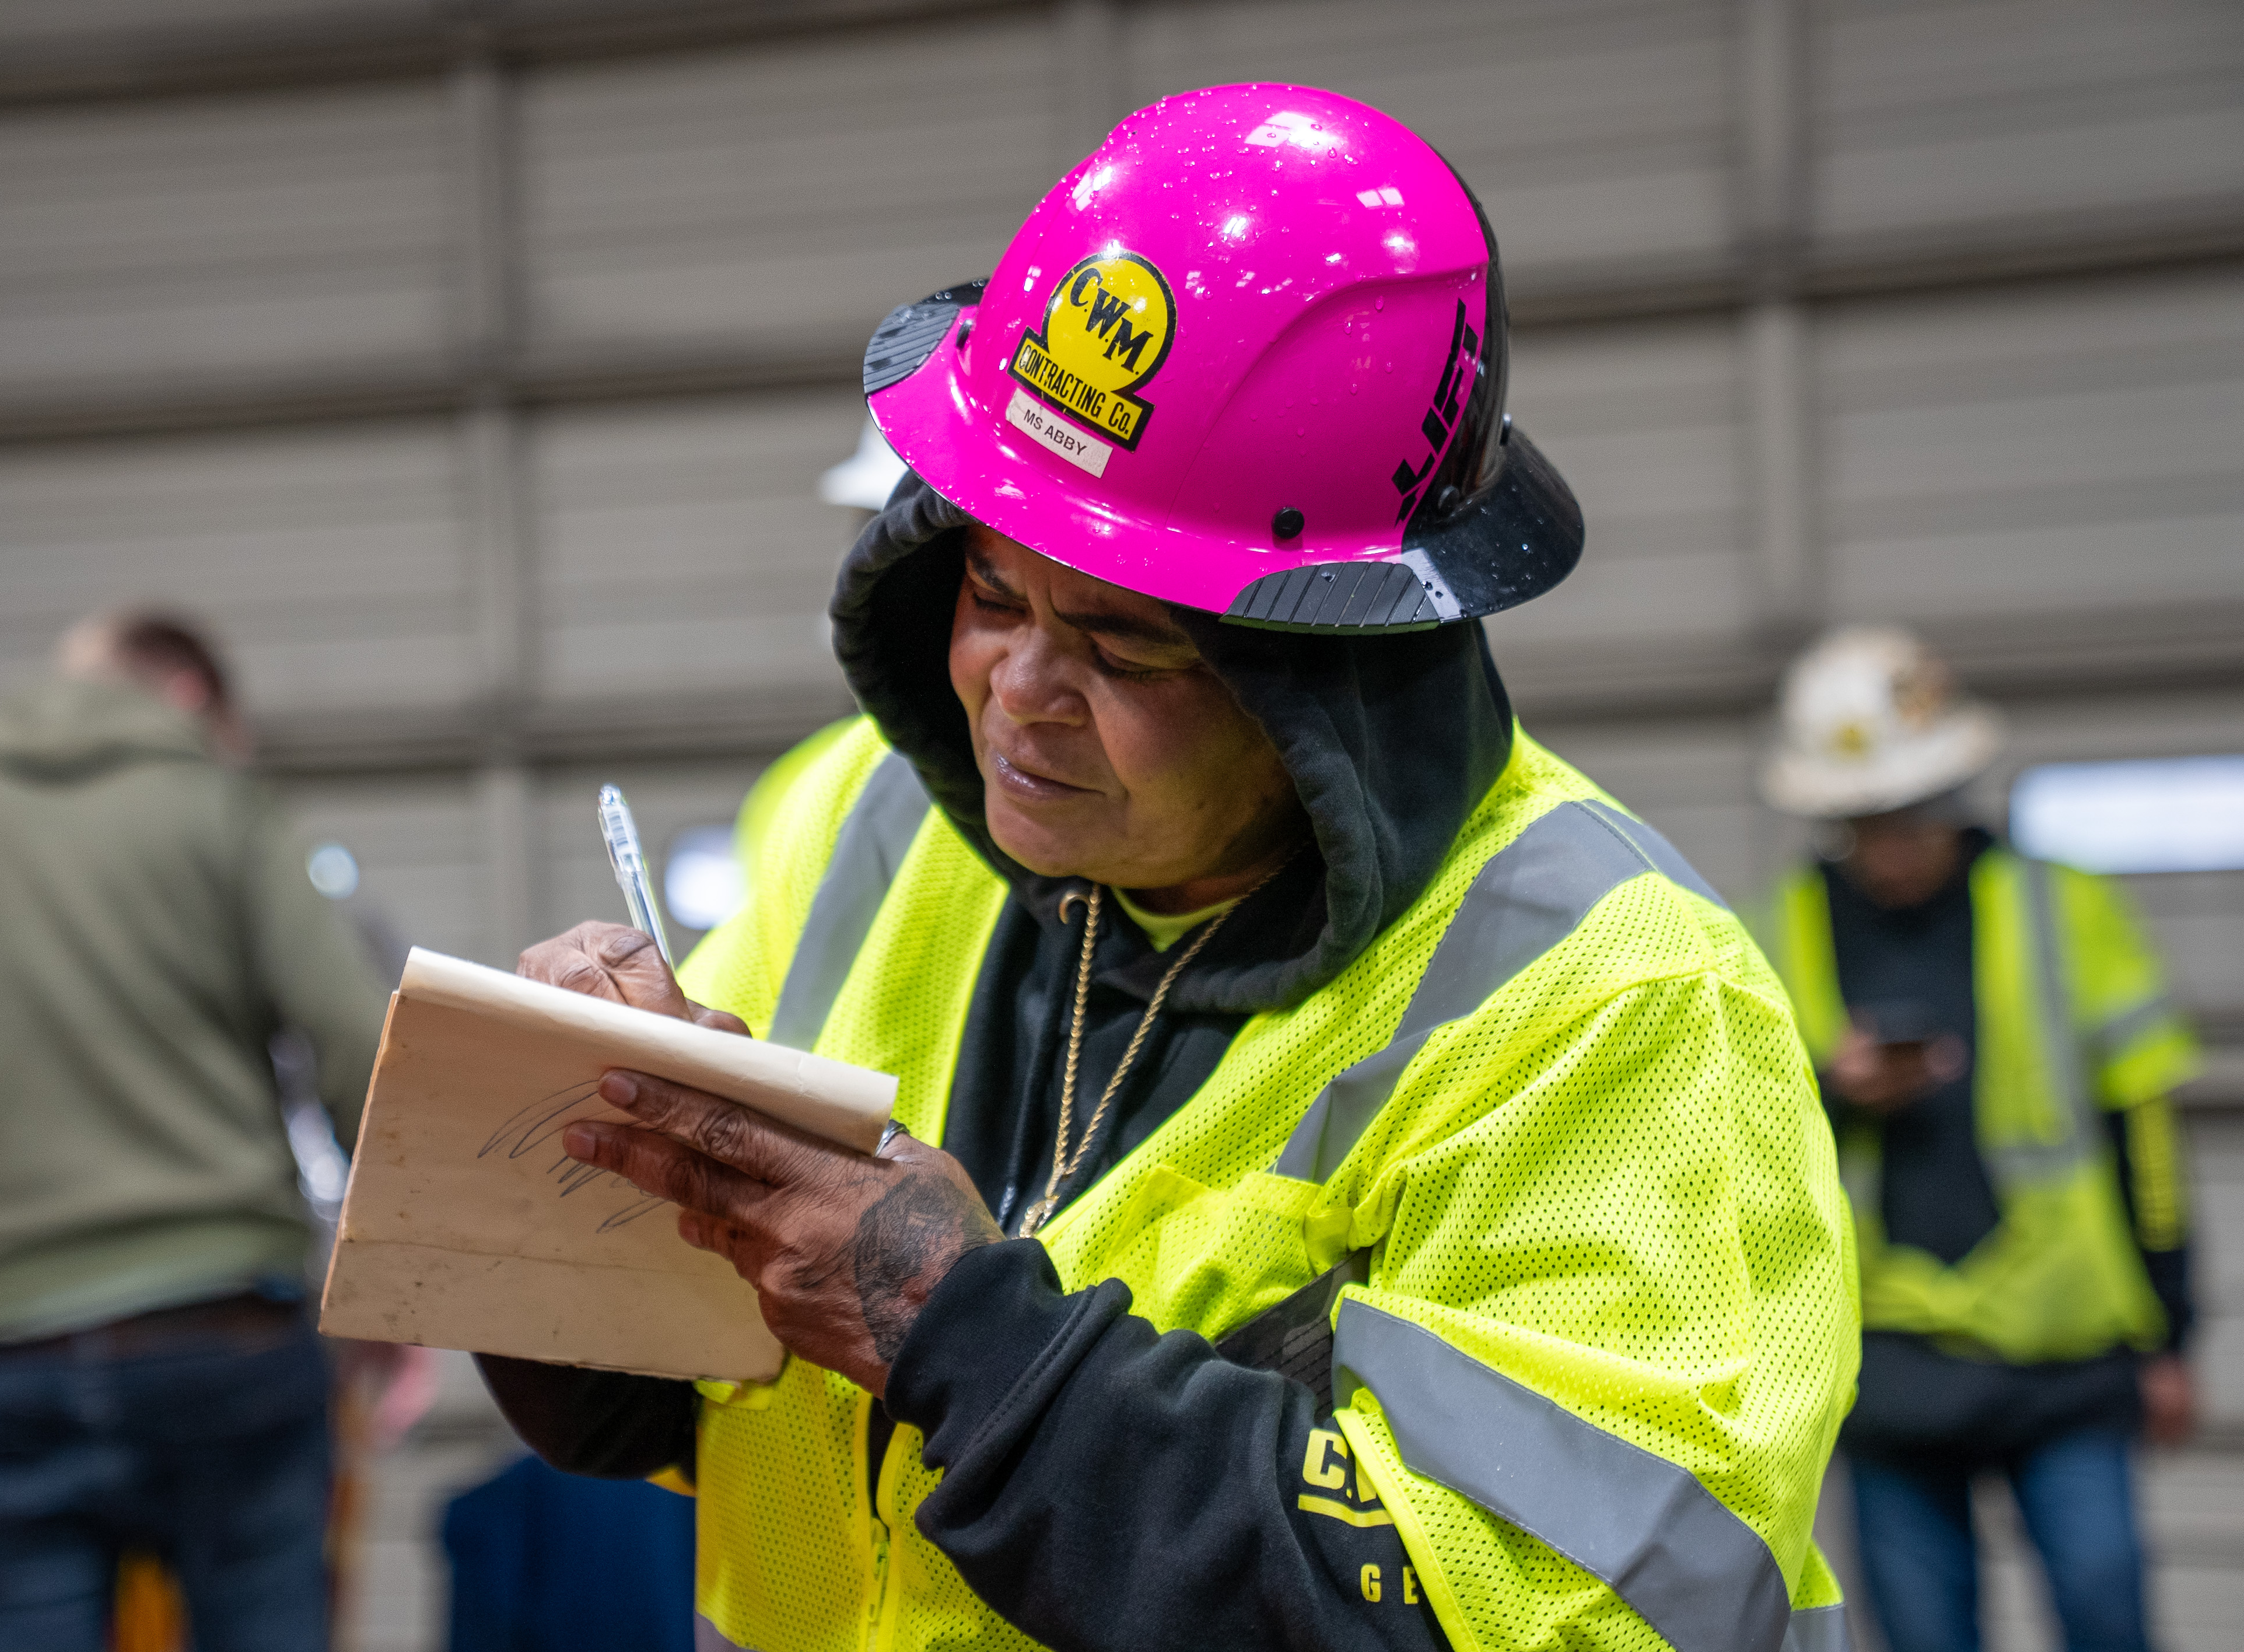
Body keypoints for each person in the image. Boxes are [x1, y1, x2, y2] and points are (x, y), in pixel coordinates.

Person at [477, 85, 1857, 1652]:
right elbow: (701, 1405)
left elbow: (1545, 1618)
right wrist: (562, 1191)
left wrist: (959, 1335)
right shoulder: (870, 817)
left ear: (1326, 678)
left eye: (1124, 644)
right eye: (990, 592)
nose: (1017, 693)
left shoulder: (1614, 1009)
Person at [0, 611, 390, 1652]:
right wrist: (396, 1286)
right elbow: (360, 1049)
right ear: (190, 700)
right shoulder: (218, 810)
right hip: (225, 1334)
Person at [1750, 626, 2198, 1652]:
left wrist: (2172, 1333)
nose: (1888, 843)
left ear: (1952, 788)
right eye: (1860, 820)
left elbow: (2144, 1136)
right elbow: (1736, 1154)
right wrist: (1835, 1092)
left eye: (1906, 812)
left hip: (2064, 1355)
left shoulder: (2065, 909)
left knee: (2107, 1616)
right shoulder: (1773, 934)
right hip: (1886, 1363)